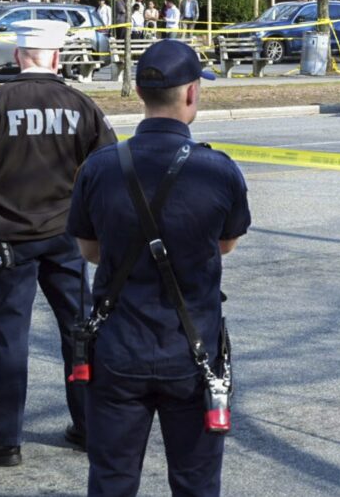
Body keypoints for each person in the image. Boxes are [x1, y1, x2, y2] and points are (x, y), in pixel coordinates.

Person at [68, 39, 251, 496]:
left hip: (117, 349)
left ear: (139, 90)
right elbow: (226, 244)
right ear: (191, 93)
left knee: (111, 480)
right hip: (192, 354)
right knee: (195, 482)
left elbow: (89, 250)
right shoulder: (218, 170)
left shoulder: (99, 167)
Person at [0, 19, 116, 467]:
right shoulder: (82, 106)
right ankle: (89, 426)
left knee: (10, 338)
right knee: (79, 332)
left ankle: (4, 439)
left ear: (19, 56)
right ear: (57, 57)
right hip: (66, 237)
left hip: (9, 239)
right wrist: (92, 230)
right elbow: (107, 172)